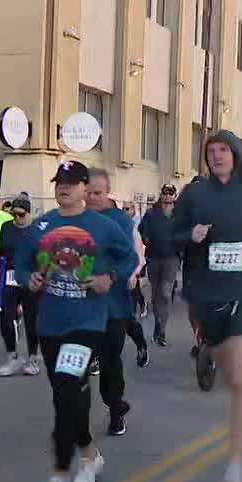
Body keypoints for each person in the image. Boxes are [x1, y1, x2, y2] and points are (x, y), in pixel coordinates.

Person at [16, 160, 138, 482]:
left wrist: (109, 279)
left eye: (71, 183)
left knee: (68, 387)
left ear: (85, 187)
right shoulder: (41, 226)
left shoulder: (103, 225)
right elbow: (22, 263)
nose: (63, 189)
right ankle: (88, 453)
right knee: (65, 394)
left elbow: (129, 258)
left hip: (87, 322)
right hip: (51, 323)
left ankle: (58, 476)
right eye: (59, 183)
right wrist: (30, 279)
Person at [170, 131, 242, 482]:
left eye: (223, 150)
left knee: (235, 377)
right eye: (211, 151)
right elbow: (168, 238)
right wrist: (191, 235)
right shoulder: (194, 194)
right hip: (205, 294)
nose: (217, 156)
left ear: (236, 156)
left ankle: (234, 467)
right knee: (228, 370)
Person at [87, 169, 141, 435]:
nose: (92, 198)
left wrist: (114, 276)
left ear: (107, 191)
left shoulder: (120, 221)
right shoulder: (75, 217)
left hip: (113, 306)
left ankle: (115, 408)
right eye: (88, 193)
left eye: (97, 193)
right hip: (81, 306)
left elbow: (130, 257)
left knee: (109, 363)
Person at [0, 193, 43, 377]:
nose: (18, 218)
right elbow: (0, 251)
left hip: (30, 276)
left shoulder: (37, 230)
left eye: (22, 215)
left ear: (30, 214)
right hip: (9, 275)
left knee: (31, 319)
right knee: (6, 317)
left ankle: (32, 357)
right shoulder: (6, 227)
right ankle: (12, 357)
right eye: (15, 214)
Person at [139, 184, 180, 348]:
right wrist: (145, 238)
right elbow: (142, 232)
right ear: (161, 195)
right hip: (154, 257)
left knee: (165, 291)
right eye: (165, 193)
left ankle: (162, 330)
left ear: (175, 195)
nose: (168, 196)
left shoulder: (180, 214)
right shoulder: (151, 213)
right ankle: (158, 322)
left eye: (171, 193)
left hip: (172, 258)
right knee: (156, 294)